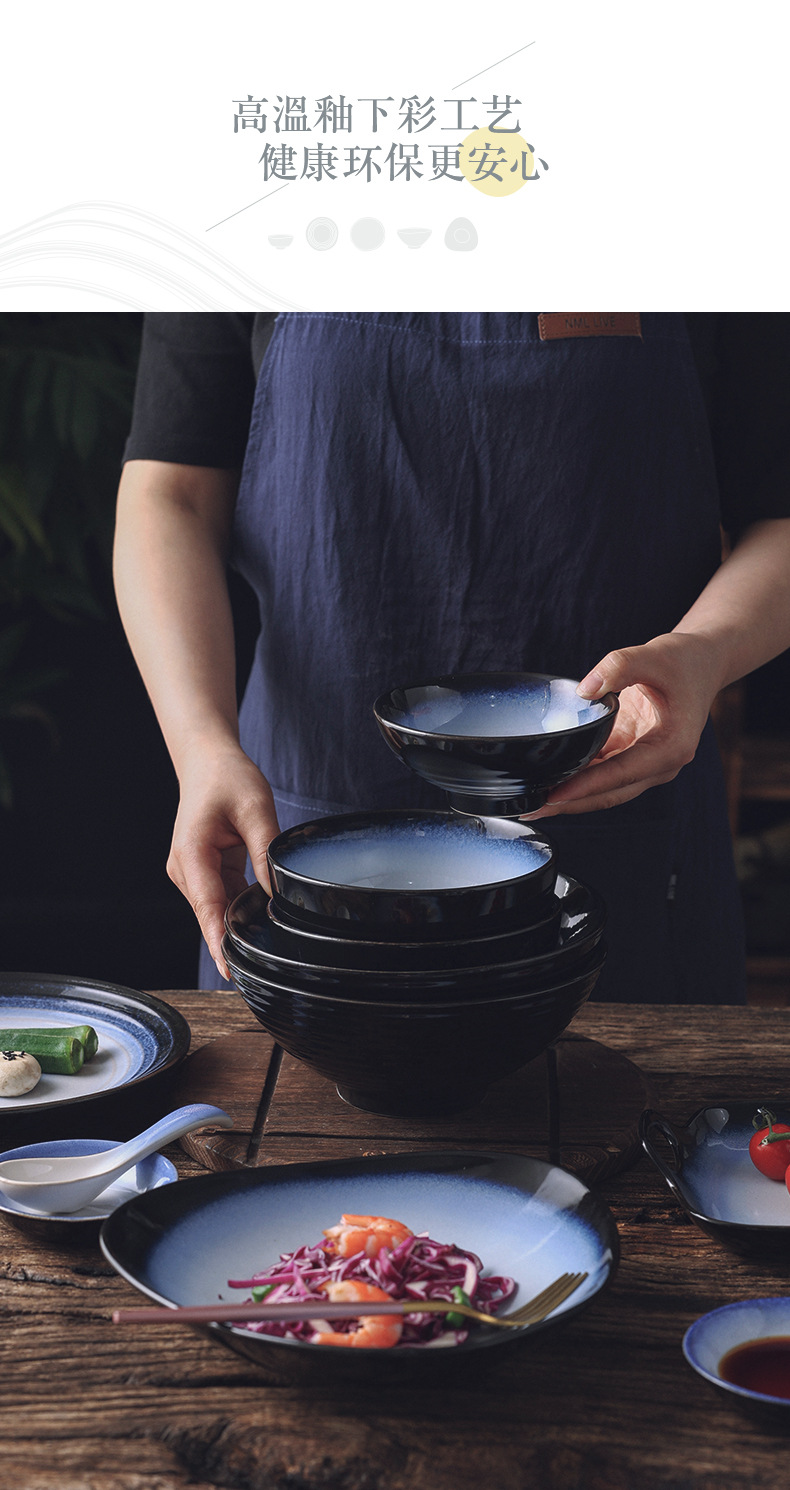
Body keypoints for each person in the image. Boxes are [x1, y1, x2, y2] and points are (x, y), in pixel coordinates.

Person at [113, 312, 790, 1003]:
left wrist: (706, 650)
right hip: (305, 821)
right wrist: (201, 747)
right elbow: (173, 496)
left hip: (624, 828)